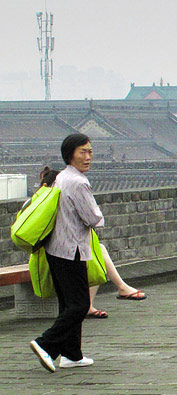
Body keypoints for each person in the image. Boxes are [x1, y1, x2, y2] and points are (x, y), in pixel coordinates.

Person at [30, 134, 104, 372]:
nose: (88, 157)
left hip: (56, 248)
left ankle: (72, 354)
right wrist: (99, 217)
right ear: (70, 153)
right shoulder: (78, 182)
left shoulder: (61, 177)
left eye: (90, 152)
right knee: (80, 304)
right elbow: (93, 218)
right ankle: (45, 343)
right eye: (83, 151)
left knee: (68, 303)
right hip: (71, 249)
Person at [38, 167, 146, 320]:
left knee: (93, 251)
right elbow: (93, 219)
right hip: (54, 254)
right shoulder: (49, 203)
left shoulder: (46, 201)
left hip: (58, 251)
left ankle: (109, 294)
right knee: (93, 252)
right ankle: (118, 289)